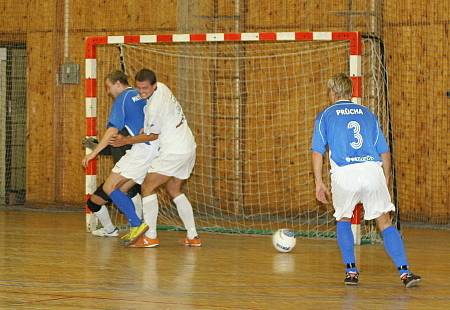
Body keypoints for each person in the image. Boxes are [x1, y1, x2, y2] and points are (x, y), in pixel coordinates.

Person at [311, 73, 421, 288]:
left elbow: (317, 152)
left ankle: (351, 272)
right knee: (384, 221)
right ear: (350, 92)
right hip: (372, 171)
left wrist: (318, 182)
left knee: (343, 219)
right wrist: (385, 179)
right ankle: (405, 273)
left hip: (345, 174)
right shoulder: (367, 113)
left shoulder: (325, 115)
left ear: (332, 93)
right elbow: (384, 151)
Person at [110, 68, 200, 248]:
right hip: (188, 146)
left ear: (154, 85)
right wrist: (146, 127)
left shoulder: (154, 107)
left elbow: (152, 136)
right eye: (139, 88)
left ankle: (150, 236)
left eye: (145, 89)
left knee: (147, 186)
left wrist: (125, 140)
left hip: (173, 151)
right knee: (174, 189)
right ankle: (193, 236)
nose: (142, 92)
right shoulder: (163, 89)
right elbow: (154, 126)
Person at [82, 70, 155, 244]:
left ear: (117, 84)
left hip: (142, 149)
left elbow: (112, 130)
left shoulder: (123, 98)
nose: (108, 92)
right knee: (121, 190)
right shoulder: (142, 94)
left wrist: (93, 153)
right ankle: (140, 230)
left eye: (108, 87)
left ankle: (137, 224)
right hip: (155, 148)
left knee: (109, 187)